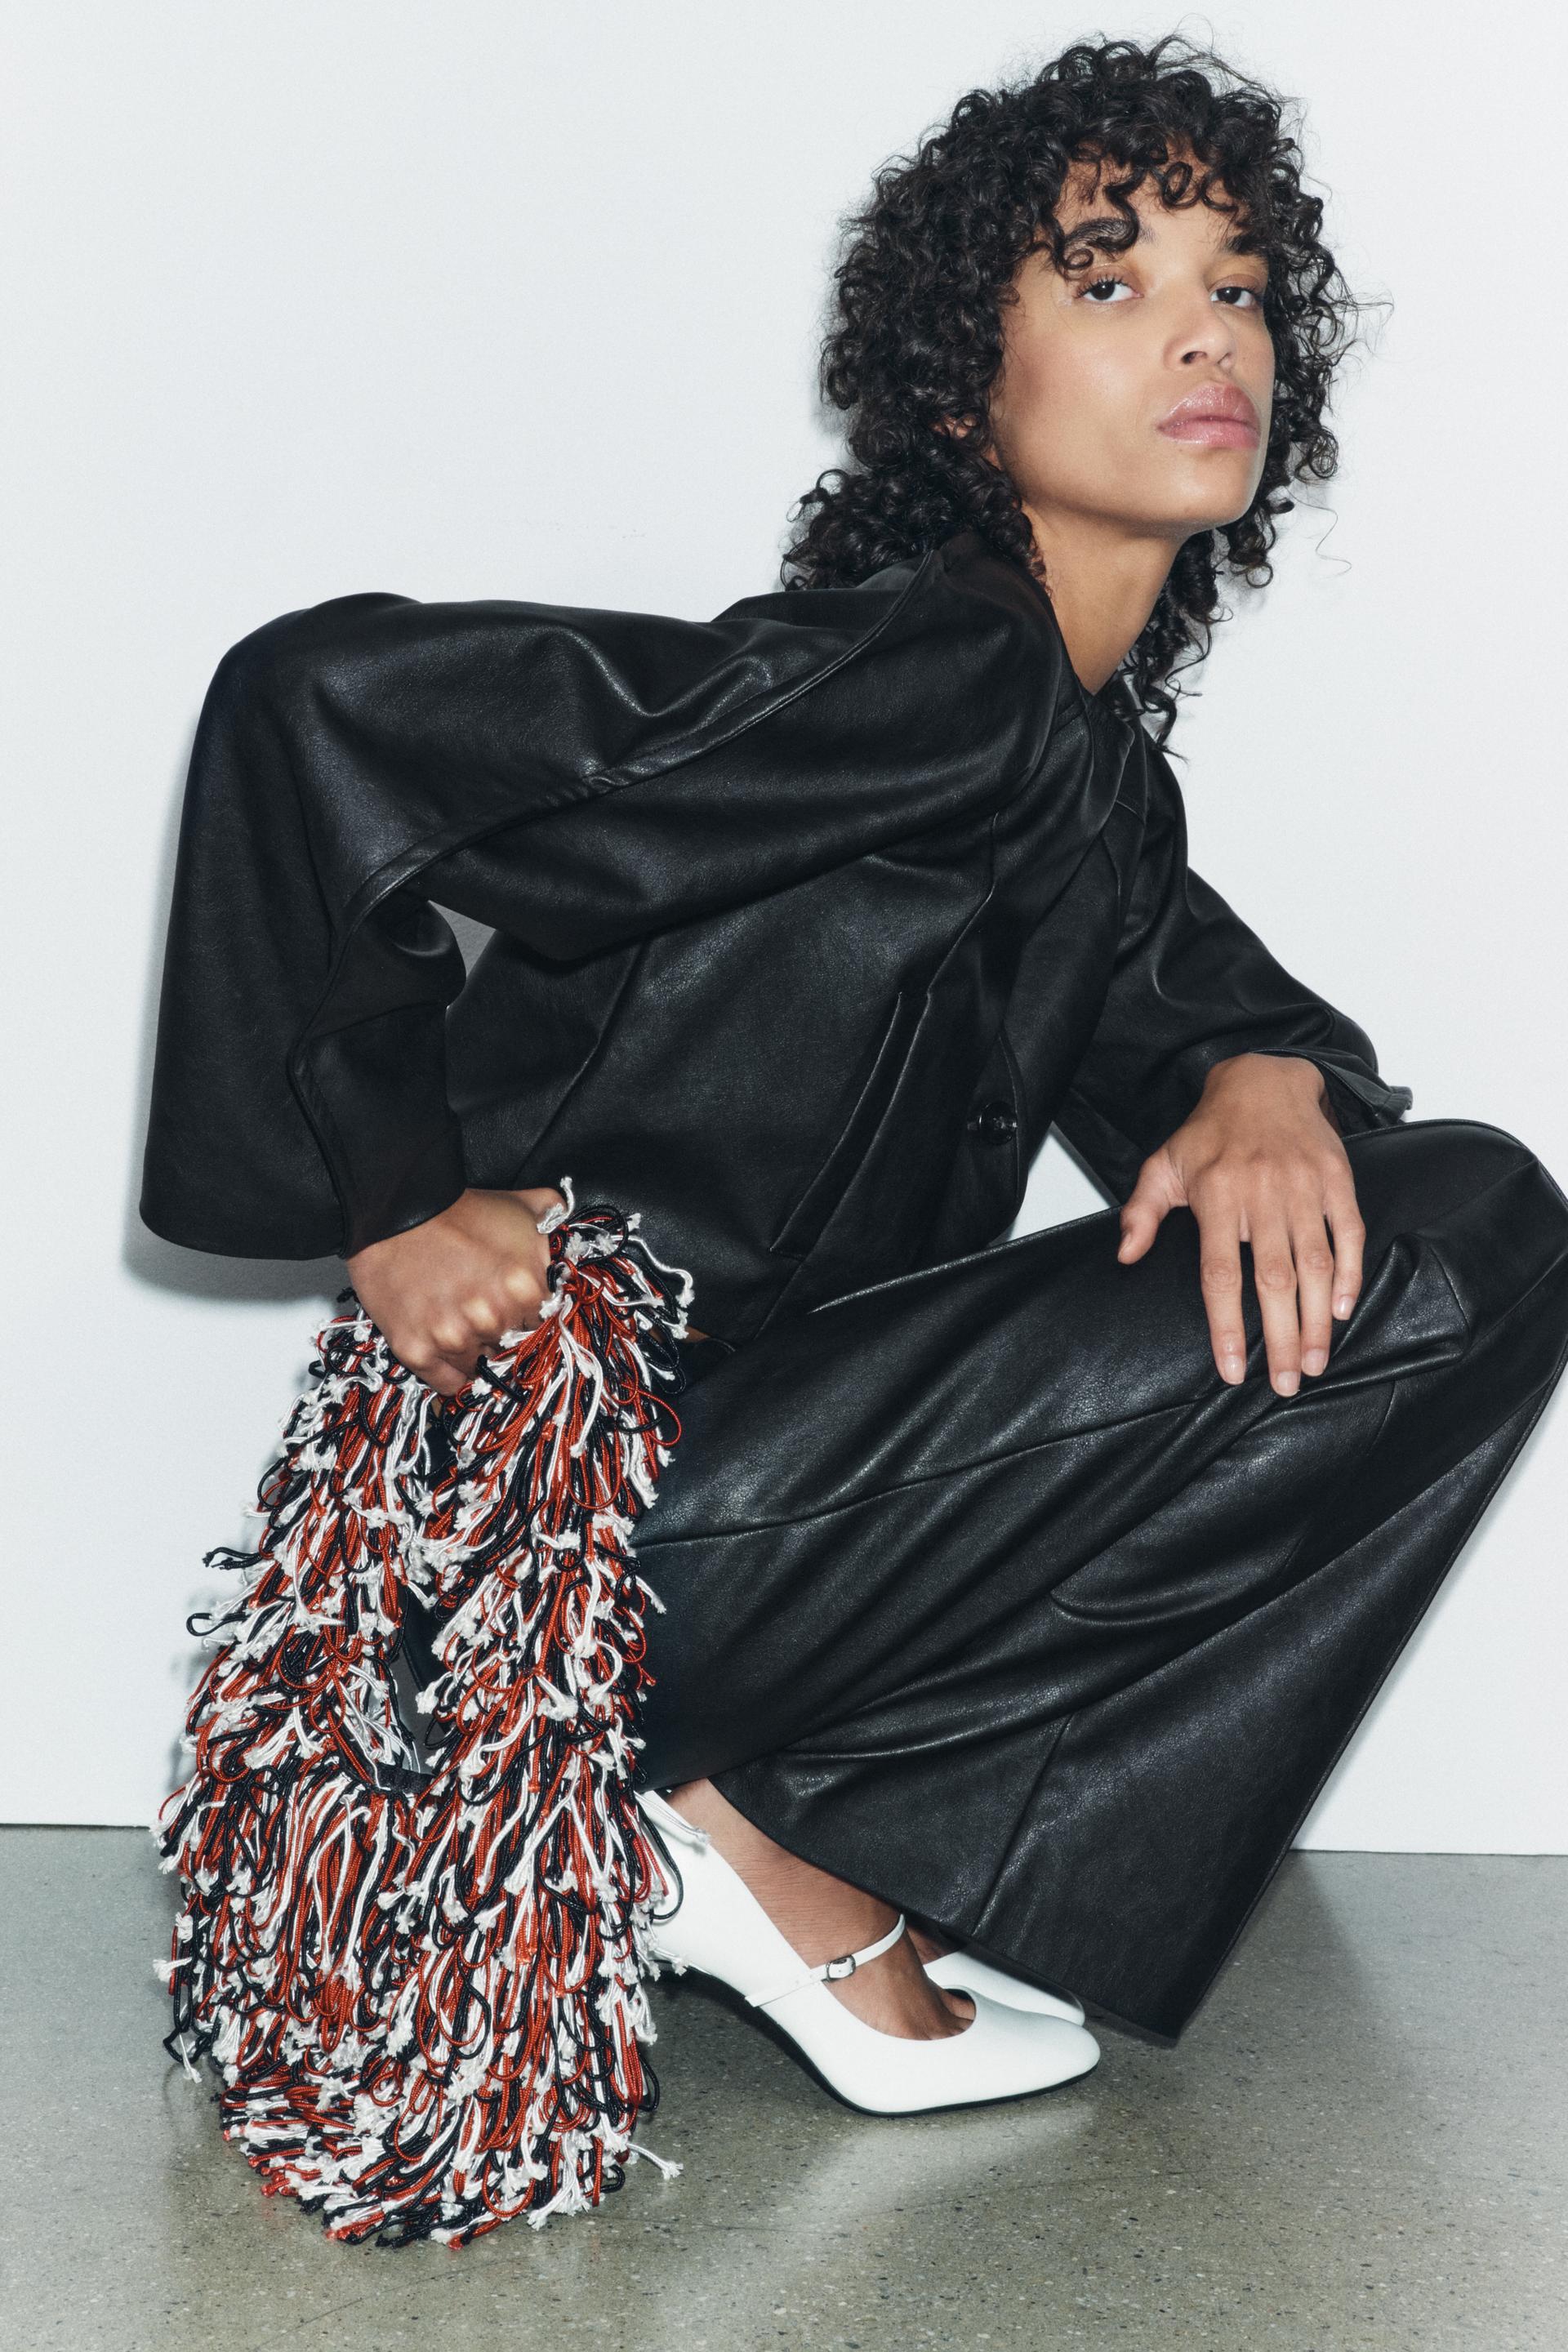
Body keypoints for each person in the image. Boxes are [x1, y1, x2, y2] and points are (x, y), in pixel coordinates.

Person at [140, 36, 1568, 2110]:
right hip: (569, 1552)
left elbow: (1226, 1020)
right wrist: (390, 1199)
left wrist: (1261, 1080)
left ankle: (757, 1805)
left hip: (669, 1552)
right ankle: (747, 1821)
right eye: (1111, 281)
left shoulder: (1073, 768)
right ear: (959, 390)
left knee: (1415, 1232)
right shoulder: (932, 673)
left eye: (1239, 288)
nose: (1206, 337)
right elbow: (311, 704)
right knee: (1475, 1235)